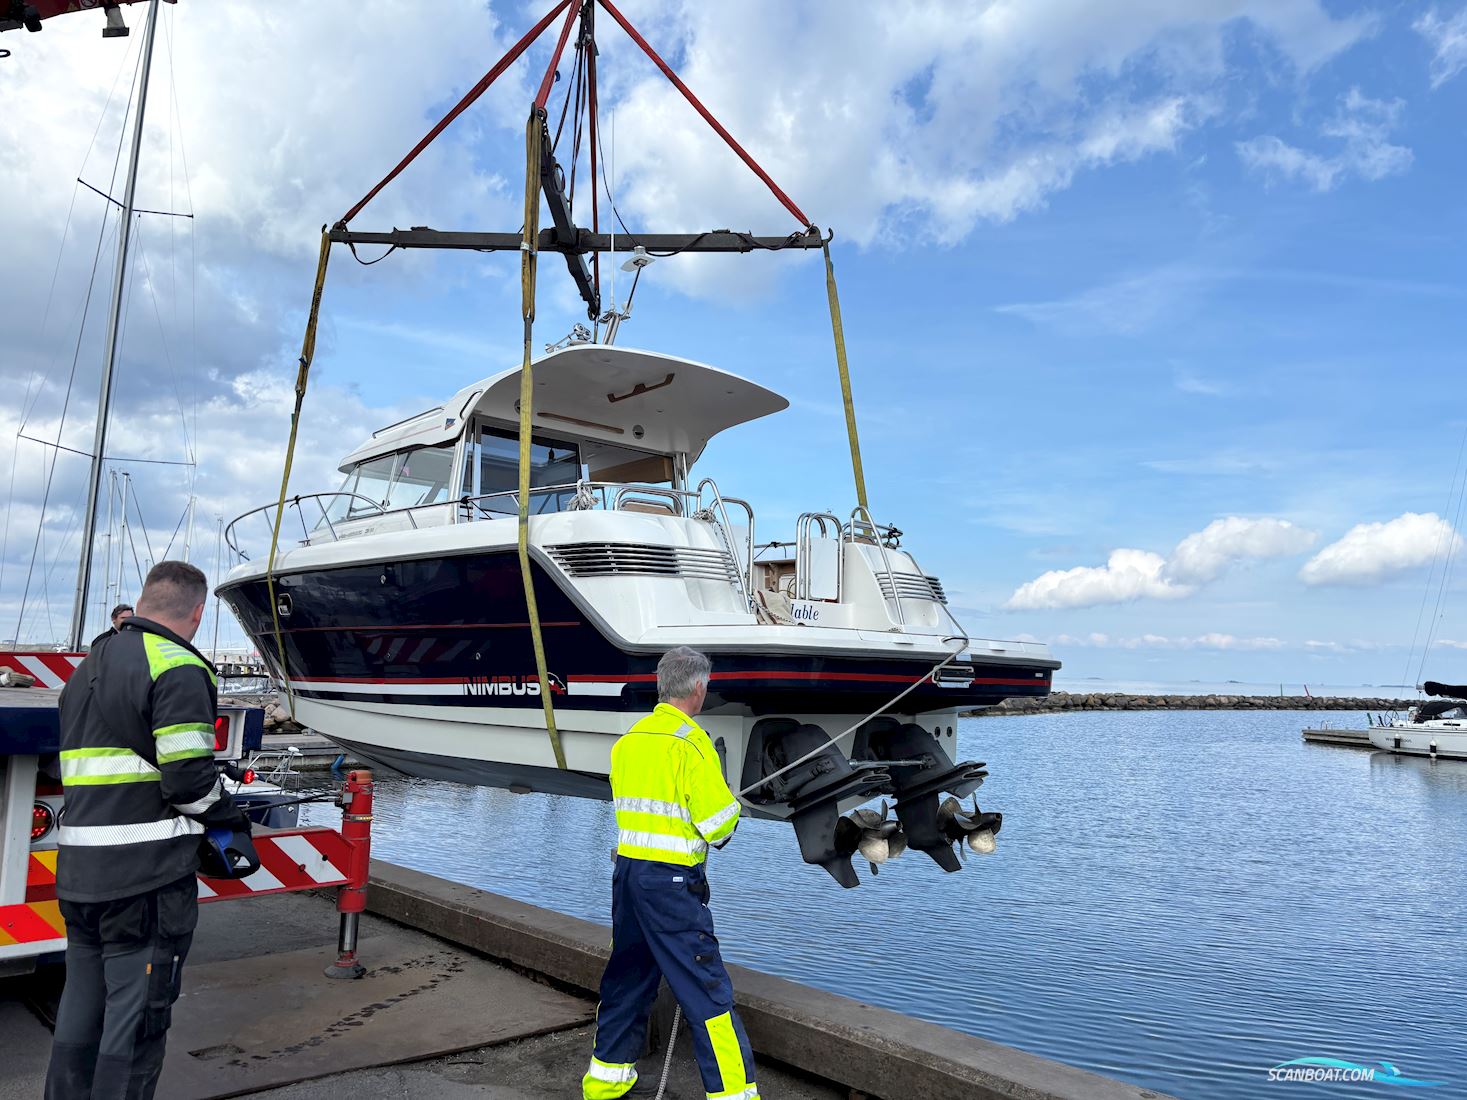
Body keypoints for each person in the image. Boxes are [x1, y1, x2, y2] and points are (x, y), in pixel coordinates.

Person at [46, 561, 248, 1100]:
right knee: (136, 1023)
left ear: (143, 600)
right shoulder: (177, 667)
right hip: (144, 881)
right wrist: (230, 818)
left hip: (81, 874)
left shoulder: (88, 666)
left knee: (80, 1012)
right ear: (198, 612)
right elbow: (188, 782)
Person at [583, 647, 760, 1100]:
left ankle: (605, 1083)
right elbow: (718, 826)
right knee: (707, 992)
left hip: (627, 878)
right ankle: (735, 1095)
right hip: (673, 885)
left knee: (627, 977)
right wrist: (731, 805)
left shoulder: (630, 740)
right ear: (699, 688)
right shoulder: (692, 742)